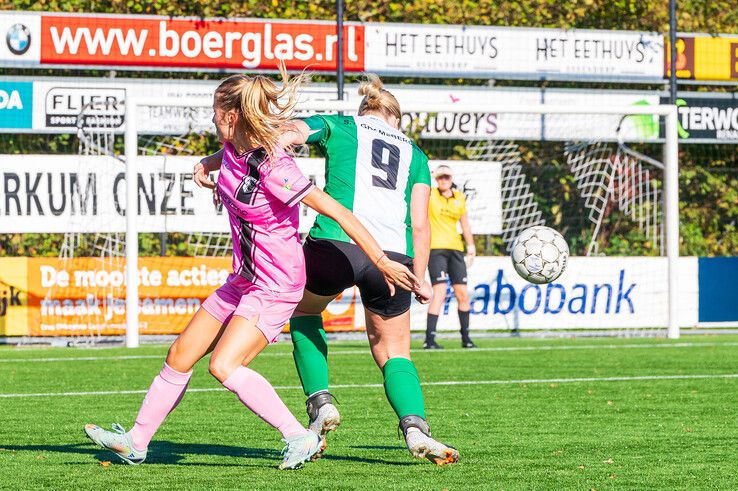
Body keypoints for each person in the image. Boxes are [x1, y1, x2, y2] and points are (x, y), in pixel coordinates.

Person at [83, 68, 419, 470]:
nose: (211, 118)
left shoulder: (275, 168)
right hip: (244, 278)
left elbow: (338, 211)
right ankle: (136, 441)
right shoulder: (231, 151)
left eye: (215, 111)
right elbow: (229, 158)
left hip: (277, 284)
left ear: (232, 116)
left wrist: (381, 260)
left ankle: (298, 436)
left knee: (224, 365)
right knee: (179, 355)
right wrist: (207, 162)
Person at [277, 75, 459, 466]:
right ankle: (415, 429)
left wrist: (277, 142)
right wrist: (421, 276)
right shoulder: (417, 155)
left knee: (305, 312)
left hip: (336, 243)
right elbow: (421, 223)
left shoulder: (341, 125)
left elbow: (292, 132)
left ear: (366, 112)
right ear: (395, 119)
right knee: (393, 350)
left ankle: (321, 401)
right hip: (394, 258)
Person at [424, 164, 477, 350]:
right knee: (439, 292)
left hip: (456, 249)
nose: (443, 180)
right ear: (436, 179)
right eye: (440, 177)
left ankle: (466, 338)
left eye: (446, 177)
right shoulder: (430, 195)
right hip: (436, 249)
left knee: (462, 294)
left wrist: (471, 247)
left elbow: (465, 224)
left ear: (451, 179)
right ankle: (429, 340)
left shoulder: (460, 197)